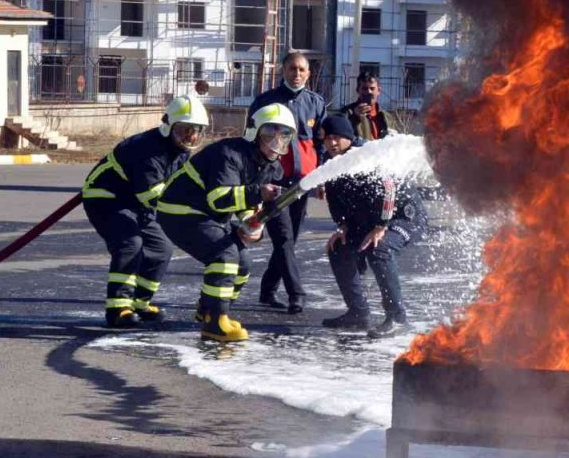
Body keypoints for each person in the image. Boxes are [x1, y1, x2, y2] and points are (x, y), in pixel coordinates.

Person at [155, 102, 294, 342]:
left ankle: (208, 308)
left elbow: (247, 207)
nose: (277, 141)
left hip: (210, 215)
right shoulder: (229, 154)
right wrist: (259, 193)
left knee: (243, 265)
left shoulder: (272, 166)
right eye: (270, 133)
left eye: (284, 135)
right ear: (254, 131)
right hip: (179, 210)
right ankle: (215, 322)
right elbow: (220, 199)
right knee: (225, 254)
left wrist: (252, 224)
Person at [82, 94, 208, 329]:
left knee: (161, 248)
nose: (190, 136)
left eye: (195, 131)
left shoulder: (180, 150)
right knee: (130, 243)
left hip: (136, 202)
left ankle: (139, 302)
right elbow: (153, 196)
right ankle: (118, 308)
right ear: (168, 126)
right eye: (184, 130)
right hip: (106, 198)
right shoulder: (148, 150)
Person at [318, 114, 427, 334]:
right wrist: (342, 227)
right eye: (327, 138)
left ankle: (396, 317)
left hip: (403, 217)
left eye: (337, 137)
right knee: (338, 248)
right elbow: (335, 198)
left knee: (380, 248)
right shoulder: (331, 162)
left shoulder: (366, 155)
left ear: (349, 137)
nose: (332, 143)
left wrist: (381, 226)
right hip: (367, 220)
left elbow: (388, 188)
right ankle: (358, 312)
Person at [248, 52, 326, 314]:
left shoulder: (316, 103)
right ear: (283, 70)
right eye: (292, 68)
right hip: (274, 183)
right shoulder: (265, 102)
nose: (297, 73)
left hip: (302, 184)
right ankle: (296, 294)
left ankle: (267, 291)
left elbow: (320, 144)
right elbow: (251, 141)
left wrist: (322, 179)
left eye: (302, 69)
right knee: (283, 239)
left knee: (289, 240)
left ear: (308, 73)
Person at [340, 72, 393, 141]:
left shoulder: (387, 117)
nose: (369, 92)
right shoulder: (346, 113)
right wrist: (354, 117)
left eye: (372, 88)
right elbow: (340, 135)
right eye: (364, 88)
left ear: (379, 91)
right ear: (357, 90)